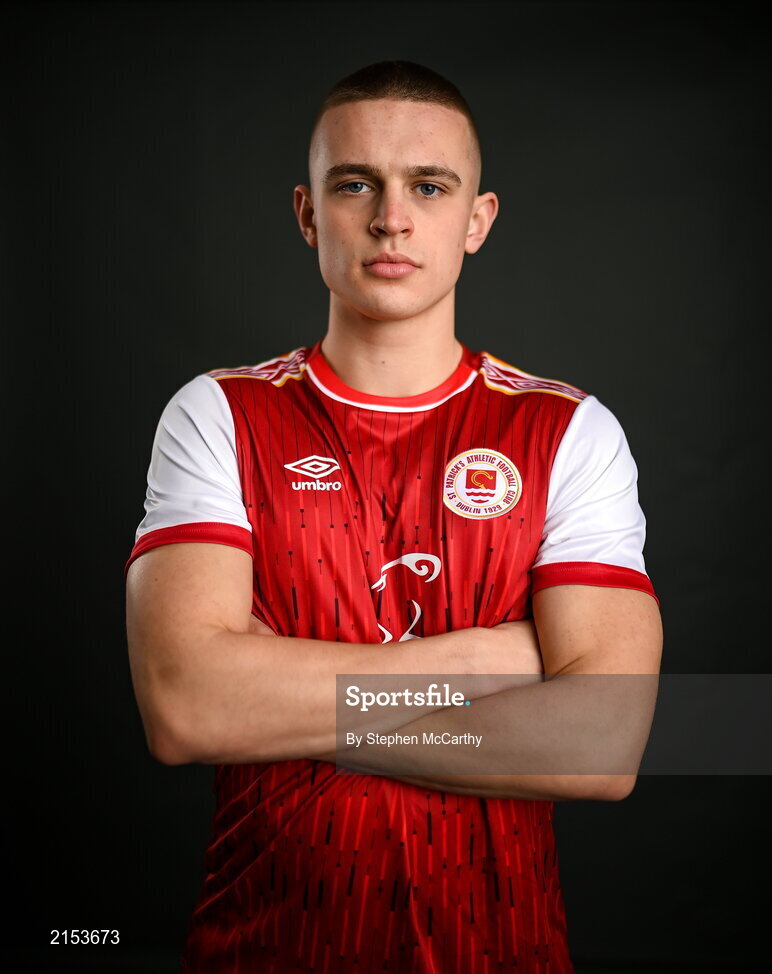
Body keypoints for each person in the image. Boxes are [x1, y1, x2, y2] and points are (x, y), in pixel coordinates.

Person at [125, 61, 662, 974]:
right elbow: (187, 708)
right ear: (307, 213)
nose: (391, 217)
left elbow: (603, 743)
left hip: (504, 953)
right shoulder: (218, 413)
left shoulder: (568, 430)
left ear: (477, 220)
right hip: (262, 950)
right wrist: (490, 663)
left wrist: (279, 691)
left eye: (428, 185)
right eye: (354, 183)